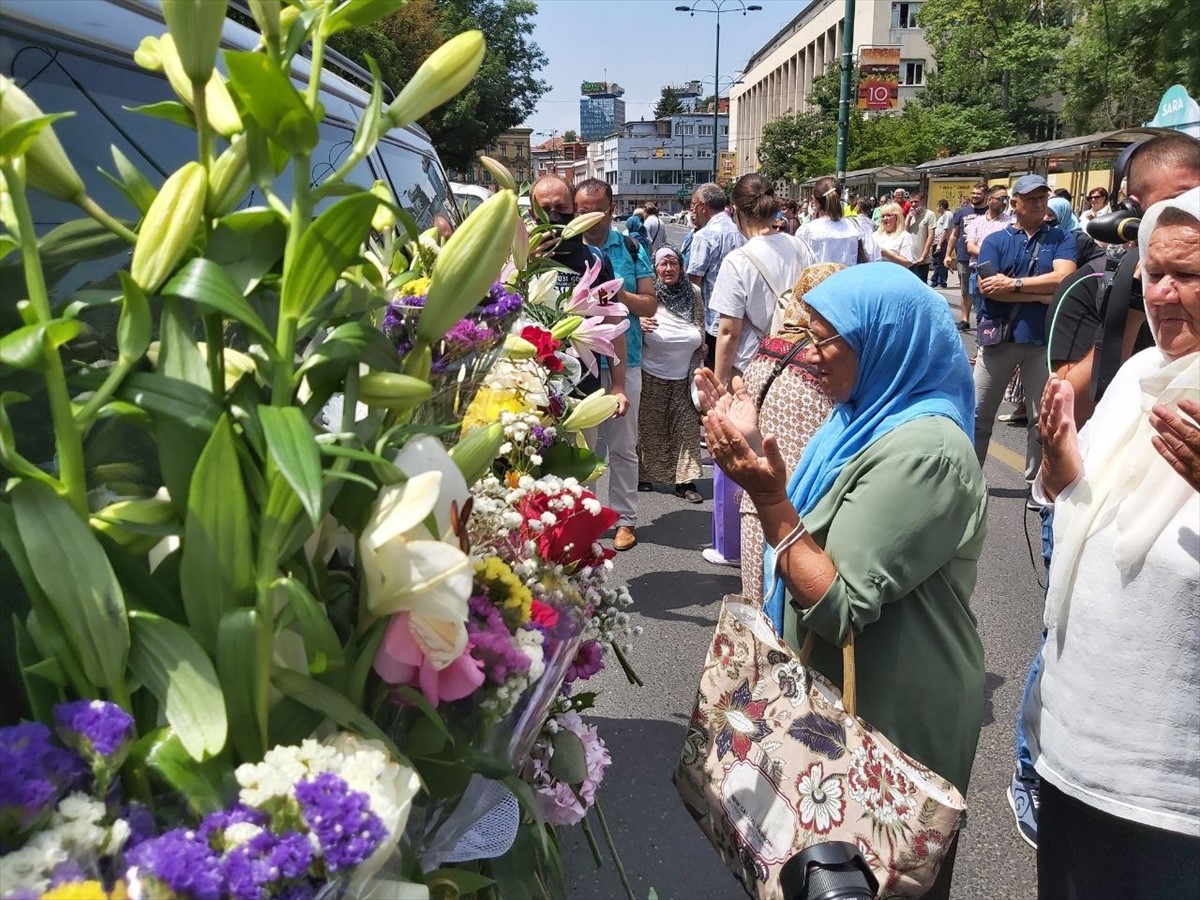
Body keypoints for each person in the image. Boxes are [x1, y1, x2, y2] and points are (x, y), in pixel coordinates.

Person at [696, 264, 986, 900]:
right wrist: (750, 441)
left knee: (871, 880)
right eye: (808, 336)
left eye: (828, 340)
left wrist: (769, 499)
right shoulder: (861, 417)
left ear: (888, 343)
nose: (811, 358)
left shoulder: (926, 451)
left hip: (893, 716)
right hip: (840, 696)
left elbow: (840, 605)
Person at [1024, 187, 1200, 899]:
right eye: (1152, 273)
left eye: (1188, 275)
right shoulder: (1137, 377)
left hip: (1171, 791)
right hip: (1074, 752)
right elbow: (1077, 508)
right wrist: (1061, 465)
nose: (1161, 293)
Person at [702, 174, 816, 568]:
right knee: (793, 453)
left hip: (756, 369)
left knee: (750, 455)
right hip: (804, 363)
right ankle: (800, 535)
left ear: (736, 211)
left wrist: (718, 383)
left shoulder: (739, 260)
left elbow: (729, 330)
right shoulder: (802, 248)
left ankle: (746, 547)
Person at [736, 263, 840, 604]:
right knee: (799, 607)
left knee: (758, 601)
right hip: (810, 507)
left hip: (759, 498)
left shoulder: (767, 348)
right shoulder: (832, 358)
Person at [974, 174, 1077, 485]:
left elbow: (1064, 278)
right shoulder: (995, 240)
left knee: (1040, 418)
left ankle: (1036, 482)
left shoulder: (1062, 238)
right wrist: (1038, 295)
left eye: (1042, 197)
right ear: (1014, 202)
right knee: (978, 414)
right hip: (999, 338)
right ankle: (968, 481)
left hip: (1041, 339)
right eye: (1031, 198)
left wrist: (1015, 284)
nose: (1038, 203)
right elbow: (990, 289)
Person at [575, 178, 657, 552]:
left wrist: (612, 292)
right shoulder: (566, 247)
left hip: (628, 357)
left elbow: (649, 305)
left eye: (596, 210)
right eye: (581, 210)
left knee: (624, 445)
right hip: (578, 362)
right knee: (584, 446)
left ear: (610, 209)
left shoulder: (630, 245)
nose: (588, 218)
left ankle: (625, 519)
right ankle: (586, 518)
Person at [638, 247, 706, 503]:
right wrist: (640, 324)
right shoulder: (648, 296)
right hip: (651, 374)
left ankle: (684, 483)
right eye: (662, 264)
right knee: (649, 429)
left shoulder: (694, 294)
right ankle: (643, 475)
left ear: (681, 266)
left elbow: (700, 323)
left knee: (686, 430)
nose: (668, 269)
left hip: (684, 376)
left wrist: (701, 345)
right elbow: (631, 324)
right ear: (655, 269)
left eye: (673, 263)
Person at [687, 182, 746, 372]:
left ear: (703, 207)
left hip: (712, 321)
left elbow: (694, 284)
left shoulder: (705, 236)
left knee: (711, 375)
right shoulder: (742, 231)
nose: (692, 211)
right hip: (741, 318)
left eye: (693, 205)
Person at [798, 175, 876, 267]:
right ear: (838, 197)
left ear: (815, 201)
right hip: (849, 279)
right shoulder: (855, 226)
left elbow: (800, 265)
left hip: (821, 281)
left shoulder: (806, 231)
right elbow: (870, 256)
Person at [944, 181, 989, 330]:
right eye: (973, 193)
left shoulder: (990, 212)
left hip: (985, 257)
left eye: (978, 194)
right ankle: (965, 319)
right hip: (963, 256)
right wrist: (948, 254)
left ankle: (983, 318)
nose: (975, 196)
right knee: (965, 290)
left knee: (982, 289)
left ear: (986, 195)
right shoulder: (962, 212)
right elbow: (954, 234)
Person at [906, 191, 937, 283]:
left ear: (922, 201)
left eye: (916, 201)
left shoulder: (929, 214)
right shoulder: (910, 215)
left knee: (920, 285)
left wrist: (923, 256)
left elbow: (930, 237)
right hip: (908, 258)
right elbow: (904, 233)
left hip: (921, 260)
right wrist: (908, 219)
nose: (913, 204)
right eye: (911, 202)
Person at [931, 198, 953, 288]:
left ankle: (942, 282)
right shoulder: (942, 216)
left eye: (938, 206)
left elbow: (946, 230)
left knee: (941, 262)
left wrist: (939, 244)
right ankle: (935, 280)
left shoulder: (947, 215)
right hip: (937, 242)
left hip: (942, 242)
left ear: (941, 206)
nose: (937, 209)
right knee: (936, 263)